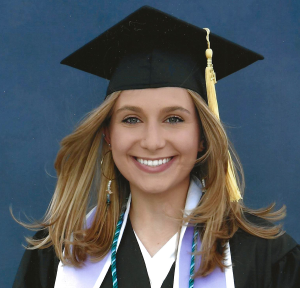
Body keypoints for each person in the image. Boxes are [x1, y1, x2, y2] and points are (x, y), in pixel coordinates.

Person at [12, 5, 300, 288]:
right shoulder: (57, 256)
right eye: (131, 119)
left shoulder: (267, 257)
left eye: (174, 119)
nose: (152, 142)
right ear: (108, 135)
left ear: (202, 135)